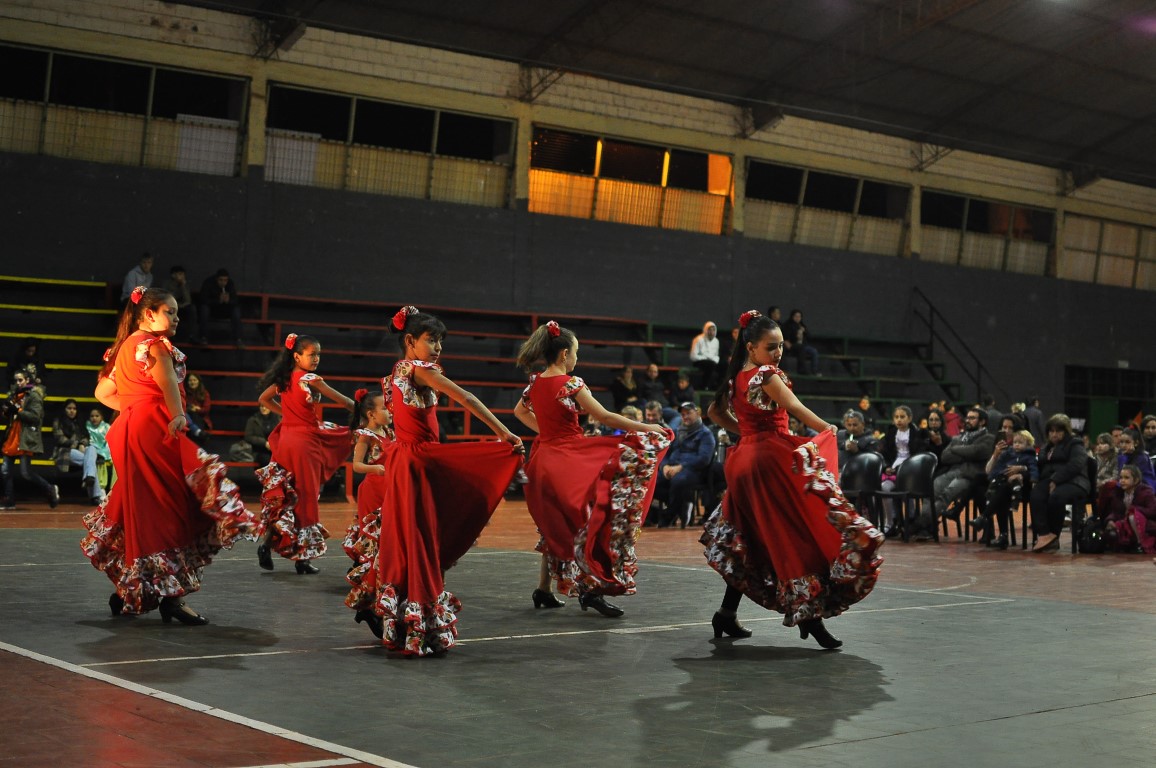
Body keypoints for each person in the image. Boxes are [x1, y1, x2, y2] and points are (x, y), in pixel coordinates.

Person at [344, 306, 523, 656]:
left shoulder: (394, 372)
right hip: (417, 461)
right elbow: (467, 398)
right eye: (432, 339)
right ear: (410, 340)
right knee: (420, 539)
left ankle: (380, 609)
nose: (438, 346)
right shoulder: (422, 370)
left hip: (402, 460)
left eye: (441, 340)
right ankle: (407, 621)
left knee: (405, 538)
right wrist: (504, 433)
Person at [702, 310, 883, 649]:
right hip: (769, 461)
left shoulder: (736, 375)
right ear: (752, 347)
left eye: (782, 346)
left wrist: (747, 433)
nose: (778, 353)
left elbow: (713, 412)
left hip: (744, 460)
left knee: (753, 539)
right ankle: (810, 617)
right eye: (771, 347)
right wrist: (827, 429)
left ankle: (726, 614)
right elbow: (795, 407)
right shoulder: (766, 374)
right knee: (792, 536)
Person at [80, 286, 258, 623]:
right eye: (170, 312)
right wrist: (175, 415)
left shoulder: (124, 347)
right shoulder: (155, 345)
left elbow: (102, 392)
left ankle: (133, 589)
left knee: (143, 509)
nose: (176, 318)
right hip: (155, 429)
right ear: (149, 314)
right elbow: (167, 387)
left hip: (128, 430)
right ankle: (171, 599)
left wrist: (133, 408)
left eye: (177, 312)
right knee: (170, 507)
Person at [513, 321, 669, 617]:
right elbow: (605, 417)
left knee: (556, 524)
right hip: (569, 460)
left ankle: (543, 589)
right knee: (591, 520)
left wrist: (546, 432)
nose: (576, 359)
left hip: (544, 459)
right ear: (563, 355)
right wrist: (646, 426)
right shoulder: (570, 383)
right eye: (576, 353)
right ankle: (591, 590)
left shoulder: (535, 382)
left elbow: (519, 411)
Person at [255, 333, 355, 574]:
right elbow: (343, 401)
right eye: (312, 354)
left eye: (319, 354)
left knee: (287, 494)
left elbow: (263, 399)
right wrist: (365, 410)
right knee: (307, 495)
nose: (317, 358)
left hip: (286, 439)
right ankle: (302, 559)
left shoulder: (285, 378)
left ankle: (267, 544)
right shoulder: (310, 378)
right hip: (304, 443)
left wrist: (286, 416)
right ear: (297, 356)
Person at [342, 388, 394, 568]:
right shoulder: (365, 436)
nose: (391, 411)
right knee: (372, 529)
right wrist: (374, 468)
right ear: (371, 414)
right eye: (386, 408)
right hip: (373, 490)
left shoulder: (388, 432)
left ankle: (380, 565)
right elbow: (356, 465)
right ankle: (362, 564)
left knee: (387, 528)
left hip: (388, 487)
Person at [1029, 413, 1091, 553]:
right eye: (1051, 431)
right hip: (1051, 480)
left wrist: (1055, 479)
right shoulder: (1046, 447)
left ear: (1066, 431)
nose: (1054, 434)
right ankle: (1045, 534)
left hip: (1075, 481)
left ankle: (1054, 536)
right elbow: (1040, 466)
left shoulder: (1076, 443)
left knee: (1056, 497)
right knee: (1036, 494)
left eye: (1058, 431)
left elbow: (1076, 465)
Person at [928, 407, 994, 536]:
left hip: (971, 477)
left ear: (982, 422)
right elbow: (945, 457)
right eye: (967, 417)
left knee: (946, 494)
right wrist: (965, 451)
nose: (968, 420)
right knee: (932, 492)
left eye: (972, 418)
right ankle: (926, 525)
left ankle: (922, 525)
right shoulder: (960, 437)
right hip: (956, 472)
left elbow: (975, 452)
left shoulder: (989, 438)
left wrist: (956, 449)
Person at [1, 366, 59, 510]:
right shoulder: (15, 394)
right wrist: (7, 411)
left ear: (27, 380)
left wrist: (18, 410)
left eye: (20, 380)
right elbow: (9, 415)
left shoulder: (34, 395)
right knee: (5, 470)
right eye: (16, 380)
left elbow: (35, 417)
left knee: (26, 473)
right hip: (12, 436)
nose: (18, 383)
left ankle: (50, 488)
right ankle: (9, 501)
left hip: (25, 437)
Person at [970, 429, 1039, 549]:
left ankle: (985, 519)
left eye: (1020, 442)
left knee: (1001, 491)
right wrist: (995, 458)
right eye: (1015, 442)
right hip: (1005, 482)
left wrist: (1024, 471)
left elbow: (1034, 469)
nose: (1016, 445)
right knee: (991, 487)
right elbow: (992, 470)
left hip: (1023, 486)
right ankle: (999, 532)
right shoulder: (1007, 453)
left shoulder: (1030, 455)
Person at [652, 401, 715, 529]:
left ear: (697, 413)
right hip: (671, 468)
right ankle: (682, 505)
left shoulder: (705, 434)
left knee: (678, 481)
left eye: (688, 413)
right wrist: (664, 466)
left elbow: (704, 459)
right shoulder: (676, 431)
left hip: (694, 471)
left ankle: (668, 516)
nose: (685, 416)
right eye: (683, 414)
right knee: (653, 482)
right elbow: (665, 452)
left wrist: (681, 467)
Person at [877, 405, 930, 535]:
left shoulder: (917, 434)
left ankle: (910, 520)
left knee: (908, 490)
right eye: (896, 417)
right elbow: (884, 453)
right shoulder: (890, 433)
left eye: (902, 417)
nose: (899, 420)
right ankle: (890, 521)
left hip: (911, 469)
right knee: (885, 487)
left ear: (910, 418)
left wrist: (902, 468)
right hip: (893, 467)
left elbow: (919, 455)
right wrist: (886, 467)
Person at [52, 398, 103, 505]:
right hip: (64, 452)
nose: (72, 411)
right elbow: (60, 438)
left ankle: (89, 477)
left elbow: (85, 437)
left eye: (74, 409)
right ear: (64, 409)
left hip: (81, 451)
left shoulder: (79, 421)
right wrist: (76, 444)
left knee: (92, 448)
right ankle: (95, 496)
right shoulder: (58, 421)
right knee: (90, 462)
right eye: (69, 408)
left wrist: (82, 444)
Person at [1099, 464, 1156, 553]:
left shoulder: (1146, 492)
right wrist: (1110, 520)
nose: (1122, 481)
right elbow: (1115, 512)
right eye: (1121, 478)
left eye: (1126, 478)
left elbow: (1153, 511)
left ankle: (1140, 545)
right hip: (1124, 524)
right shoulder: (1118, 493)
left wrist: (1134, 509)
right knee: (1111, 532)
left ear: (1136, 480)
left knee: (1133, 515)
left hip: (1145, 526)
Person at [195, 268, 244, 348]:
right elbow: (202, 299)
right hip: (212, 310)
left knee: (236, 311)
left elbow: (235, 300)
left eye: (225, 280)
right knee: (204, 309)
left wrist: (229, 300)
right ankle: (203, 338)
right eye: (221, 280)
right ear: (216, 279)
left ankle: (238, 339)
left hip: (225, 310)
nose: (223, 283)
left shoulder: (230, 284)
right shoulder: (208, 283)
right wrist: (218, 300)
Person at [780, 308, 820, 376]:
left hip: (803, 345)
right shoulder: (788, 325)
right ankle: (801, 369)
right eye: (796, 316)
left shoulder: (802, 325)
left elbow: (810, 337)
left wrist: (805, 331)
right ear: (792, 316)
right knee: (801, 348)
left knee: (814, 351)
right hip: (793, 345)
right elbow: (785, 336)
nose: (798, 318)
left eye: (799, 317)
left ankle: (815, 371)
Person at [163, 265, 197, 343]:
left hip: (182, 307)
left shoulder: (184, 284)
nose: (182, 276)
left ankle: (192, 336)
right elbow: (168, 299)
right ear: (173, 275)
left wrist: (183, 286)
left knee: (192, 308)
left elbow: (188, 300)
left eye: (183, 274)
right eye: (179, 274)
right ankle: (170, 336)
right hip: (170, 307)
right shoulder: (167, 284)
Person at [87, 407, 114, 497]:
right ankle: (101, 488)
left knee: (117, 462)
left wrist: (106, 451)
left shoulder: (106, 426)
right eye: (92, 416)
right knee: (99, 461)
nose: (94, 418)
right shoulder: (87, 426)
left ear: (101, 417)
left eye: (97, 416)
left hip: (107, 449)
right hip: (94, 449)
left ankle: (114, 489)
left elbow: (111, 440)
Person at [689, 321, 720, 389]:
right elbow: (693, 356)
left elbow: (716, 355)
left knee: (723, 366)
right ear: (706, 330)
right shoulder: (698, 339)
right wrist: (706, 357)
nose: (712, 332)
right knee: (710, 365)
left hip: (712, 362)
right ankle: (704, 386)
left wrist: (714, 359)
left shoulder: (716, 341)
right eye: (710, 330)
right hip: (699, 361)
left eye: (713, 330)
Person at [184, 372, 212, 443]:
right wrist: (190, 409)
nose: (192, 382)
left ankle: (197, 432)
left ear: (198, 381)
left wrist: (196, 409)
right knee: (185, 415)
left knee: (193, 417)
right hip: (187, 418)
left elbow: (206, 410)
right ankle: (197, 431)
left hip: (200, 418)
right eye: (190, 380)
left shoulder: (204, 393)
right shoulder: (184, 393)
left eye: (194, 380)